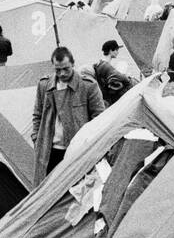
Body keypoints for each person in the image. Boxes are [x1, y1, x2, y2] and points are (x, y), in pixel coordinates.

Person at [32, 46, 105, 183]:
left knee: (75, 193)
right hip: (49, 151)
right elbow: (37, 115)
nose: (62, 74)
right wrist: (36, 138)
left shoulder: (88, 86)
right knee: (47, 191)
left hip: (77, 152)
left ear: (73, 63)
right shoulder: (44, 85)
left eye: (66, 69)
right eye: (58, 70)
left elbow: (100, 119)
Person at [93, 40, 137, 105]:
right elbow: (122, 77)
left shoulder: (101, 64)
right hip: (111, 98)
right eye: (116, 50)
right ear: (111, 51)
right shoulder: (105, 65)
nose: (118, 52)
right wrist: (129, 78)